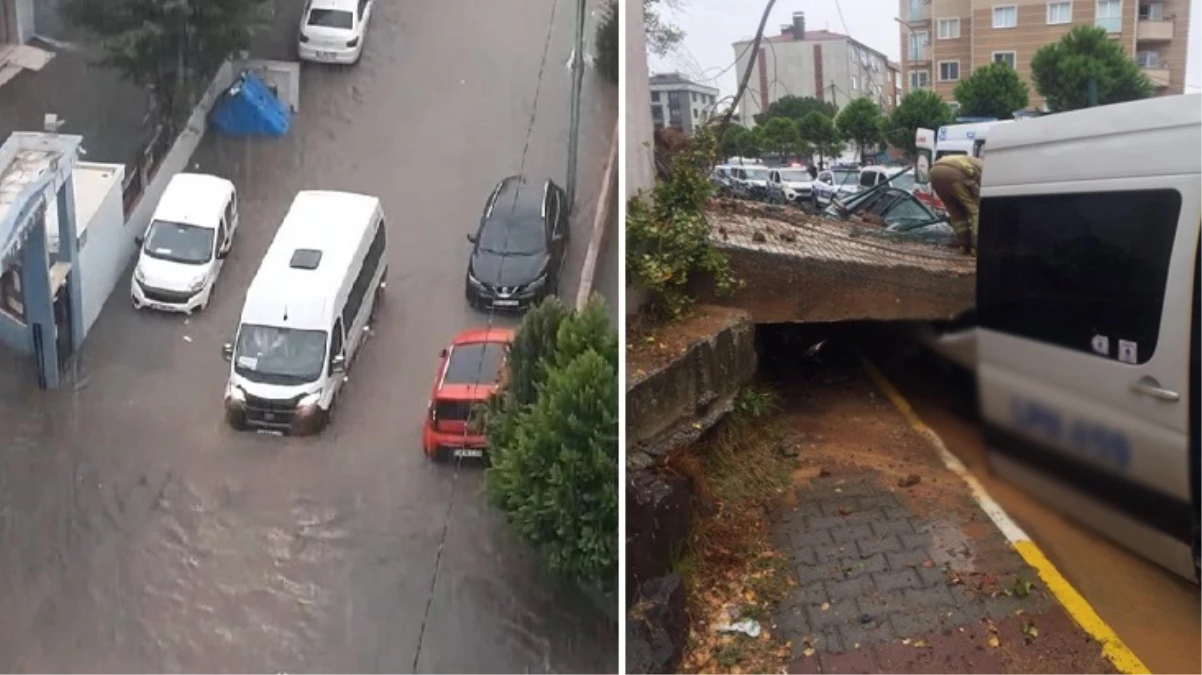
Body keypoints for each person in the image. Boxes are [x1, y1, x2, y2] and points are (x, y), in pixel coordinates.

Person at [929, 154, 984, 254]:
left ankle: (964, 245)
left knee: (955, 212)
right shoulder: (985, 167)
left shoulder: (973, 161)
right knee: (976, 210)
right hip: (954, 174)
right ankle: (976, 247)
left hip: (934, 172)